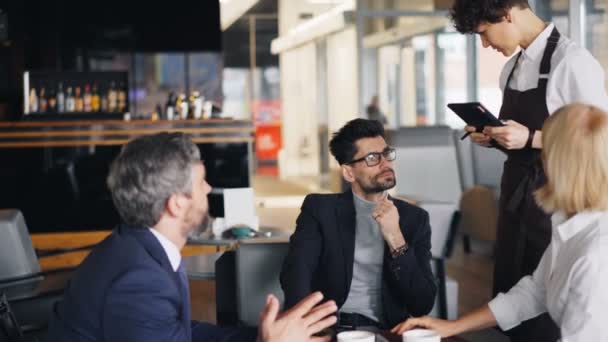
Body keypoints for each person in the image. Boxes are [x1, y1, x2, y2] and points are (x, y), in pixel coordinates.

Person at [46, 132, 337, 342]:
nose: (209, 189)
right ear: (176, 204)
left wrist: (259, 334)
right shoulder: (139, 281)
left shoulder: (137, 245)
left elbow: (181, 332)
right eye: (200, 183)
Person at [450, 0, 608, 340]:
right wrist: (494, 137)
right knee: (515, 291)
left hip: (557, 196)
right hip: (515, 195)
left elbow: (599, 142)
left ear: (508, 13)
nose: (486, 44)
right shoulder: (512, 69)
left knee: (551, 305)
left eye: (484, 33)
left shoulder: (572, 62)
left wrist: (532, 137)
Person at [392, 103, 608, 341]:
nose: (541, 160)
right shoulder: (570, 222)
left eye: (547, 151)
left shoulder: (596, 256)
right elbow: (535, 291)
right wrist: (452, 326)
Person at [280, 119, 436, 331]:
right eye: (372, 158)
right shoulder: (320, 209)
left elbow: (422, 304)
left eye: (386, 153)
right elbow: (297, 270)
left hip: (385, 331)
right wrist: (303, 326)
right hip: (331, 327)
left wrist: (396, 237)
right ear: (349, 173)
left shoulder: (414, 219)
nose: (385, 163)